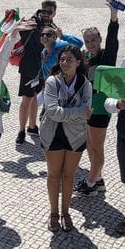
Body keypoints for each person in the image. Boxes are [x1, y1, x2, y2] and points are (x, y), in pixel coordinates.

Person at [38, 45, 90, 232]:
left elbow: (85, 113)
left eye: (69, 59)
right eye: (62, 59)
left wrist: (69, 112)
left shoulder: (85, 84)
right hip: (52, 135)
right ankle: (53, 212)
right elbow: (53, 112)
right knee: (53, 175)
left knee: (69, 176)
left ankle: (65, 211)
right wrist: (78, 111)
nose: (65, 63)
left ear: (78, 62)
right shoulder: (52, 81)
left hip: (75, 136)